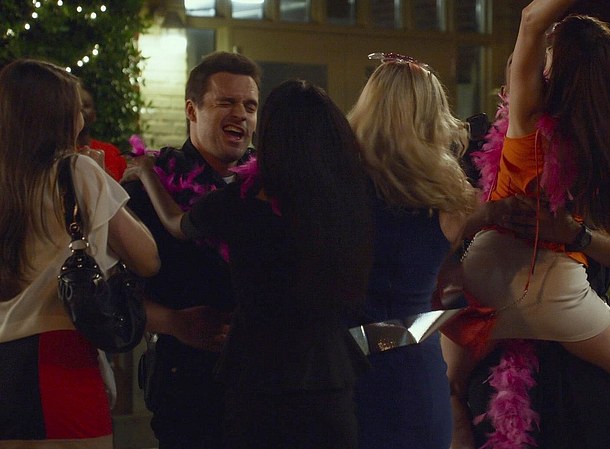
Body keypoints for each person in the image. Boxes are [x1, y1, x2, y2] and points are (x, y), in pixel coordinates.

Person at [443, 1, 610, 448]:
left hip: (485, 281)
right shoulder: (608, 143)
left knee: (449, 387)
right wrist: (572, 234)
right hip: (559, 293)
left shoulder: (526, 120)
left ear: (557, 69)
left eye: (550, 51)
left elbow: (532, 17)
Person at [124, 79, 374, 449]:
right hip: (328, 376)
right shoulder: (348, 202)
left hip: (258, 378)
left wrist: (147, 172)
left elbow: (178, 225)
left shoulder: (239, 202)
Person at [0, 59, 159, 448]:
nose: (83, 117)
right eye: (76, 107)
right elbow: (147, 258)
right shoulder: (76, 171)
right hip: (60, 360)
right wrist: (102, 180)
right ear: (55, 115)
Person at [121, 51, 260, 449]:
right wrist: (174, 322)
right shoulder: (148, 190)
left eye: (250, 106)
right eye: (226, 102)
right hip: (188, 392)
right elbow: (114, 293)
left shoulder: (273, 188)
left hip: (269, 391)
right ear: (191, 110)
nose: (241, 114)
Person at [345, 53, 478, 449]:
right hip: (414, 371)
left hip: (345, 366)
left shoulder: (336, 185)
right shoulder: (451, 198)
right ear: (432, 115)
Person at [78, 85, 128, 181]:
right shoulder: (58, 154)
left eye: (86, 106)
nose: (81, 111)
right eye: (77, 107)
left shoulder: (112, 152)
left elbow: (123, 188)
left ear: (94, 115)